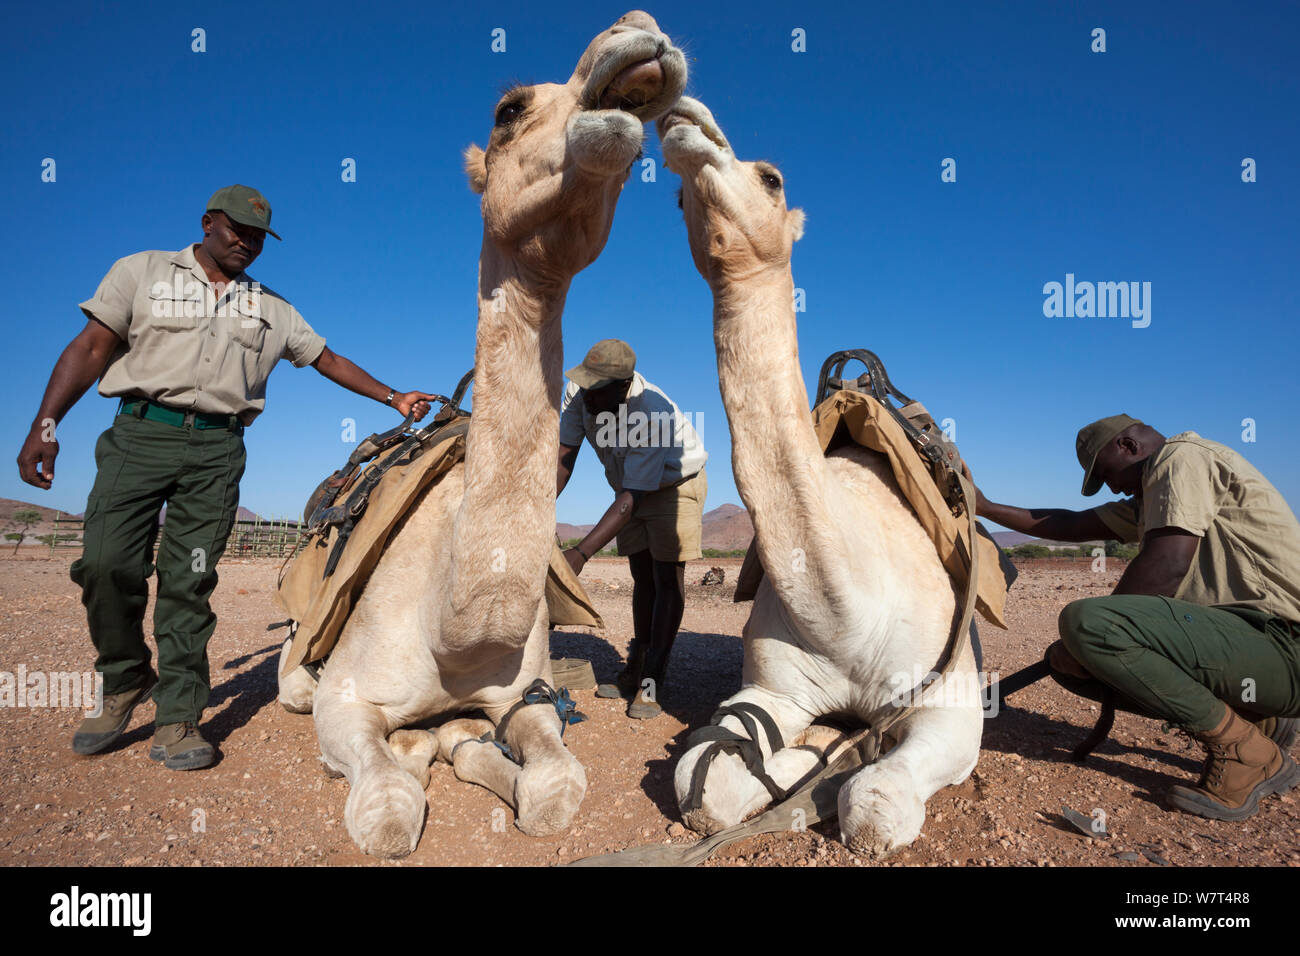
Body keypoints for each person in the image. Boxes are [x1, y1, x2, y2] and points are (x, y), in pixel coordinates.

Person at [16, 185, 438, 771]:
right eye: (237, 229)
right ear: (208, 222)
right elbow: (91, 346)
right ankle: (125, 677)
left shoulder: (272, 308)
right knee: (106, 563)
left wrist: (394, 397)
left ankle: (178, 715)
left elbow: (328, 359)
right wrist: (46, 423)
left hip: (217, 450)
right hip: (140, 434)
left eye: (259, 235)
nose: (247, 241)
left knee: (188, 582)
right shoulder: (141, 272)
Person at [967, 413, 1300, 820]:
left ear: (1128, 446)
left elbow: (1168, 564)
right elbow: (1070, 523)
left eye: (1107, 474)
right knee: (1070, 663)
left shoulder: (1181, 460)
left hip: (1283, 644)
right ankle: (1254, 714)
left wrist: (1095, 637)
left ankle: (1245, 752)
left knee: (1087, 625)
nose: (1112, 487)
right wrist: (982, 506)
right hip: (1256, 651)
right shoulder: (1154, 497)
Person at [555, 339, 707, 719]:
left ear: (622, 388)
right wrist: (537, 511)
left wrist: (580, 553)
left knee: (666, 579)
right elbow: (564, 456)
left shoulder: (652, 412)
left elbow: (630, 501)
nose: (587, 396)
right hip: (628, 488)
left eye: (598, 389)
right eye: (586, 384)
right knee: (642, 576)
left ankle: (651, 681)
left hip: (674, 486)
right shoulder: (579, 391)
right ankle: (634, 670)